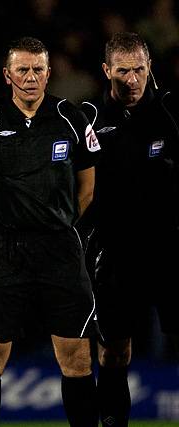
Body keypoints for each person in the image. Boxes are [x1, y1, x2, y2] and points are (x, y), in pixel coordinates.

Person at [0, 36, 100, 426]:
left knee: (77, 355)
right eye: (22, 69)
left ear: (49, 73)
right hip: (3, 250)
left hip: (60, 249)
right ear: (7, 75)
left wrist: (61, 221)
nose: (31, 77)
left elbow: (87, 186)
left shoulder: (71, 118)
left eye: (38, 69)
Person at [80, 32, 179, 427]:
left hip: (169, 247)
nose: (132, 79)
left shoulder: (171, 113)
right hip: (114, 251)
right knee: (113, 351)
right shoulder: (90, 118)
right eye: (123, 70)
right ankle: (112, 422)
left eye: (139, 69)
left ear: (150, 67)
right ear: (107, 71)